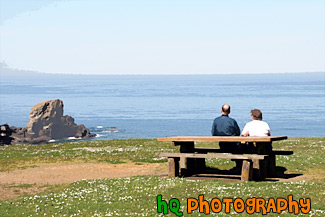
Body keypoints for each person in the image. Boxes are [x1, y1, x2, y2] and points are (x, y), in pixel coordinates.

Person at [211, 104, 242, 170]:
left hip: (222, 145)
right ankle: (239, 167)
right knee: (240, 148)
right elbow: (238, 133)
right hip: (233, 145)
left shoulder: (216, 120)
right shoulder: (232, 121)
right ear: (229, 112)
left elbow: (213, 133)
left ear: (221, 110)